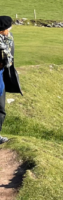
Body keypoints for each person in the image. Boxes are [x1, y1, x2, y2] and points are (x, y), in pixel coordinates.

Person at [0, 16, 23, 144]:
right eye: (8, 28)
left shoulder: (8, 38)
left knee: (1, 108)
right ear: (2, 30)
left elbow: (9, 59)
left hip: (1, 74)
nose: (9, 30)